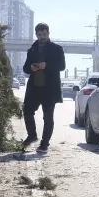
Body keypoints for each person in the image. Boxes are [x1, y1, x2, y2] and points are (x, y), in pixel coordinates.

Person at [21, 23, 67, 151]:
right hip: (34, 88)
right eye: (40, 34)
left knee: (48, 117)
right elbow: (25, 68)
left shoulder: (57, 48)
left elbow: (61, 66)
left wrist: (46, 65)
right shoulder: (32, 49)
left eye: (45, 34)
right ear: (36, 35)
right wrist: (31, 67)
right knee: (27, 111)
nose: (42, 37)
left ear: (48, 33)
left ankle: (45, 143)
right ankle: (32, 135)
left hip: (50, 89)